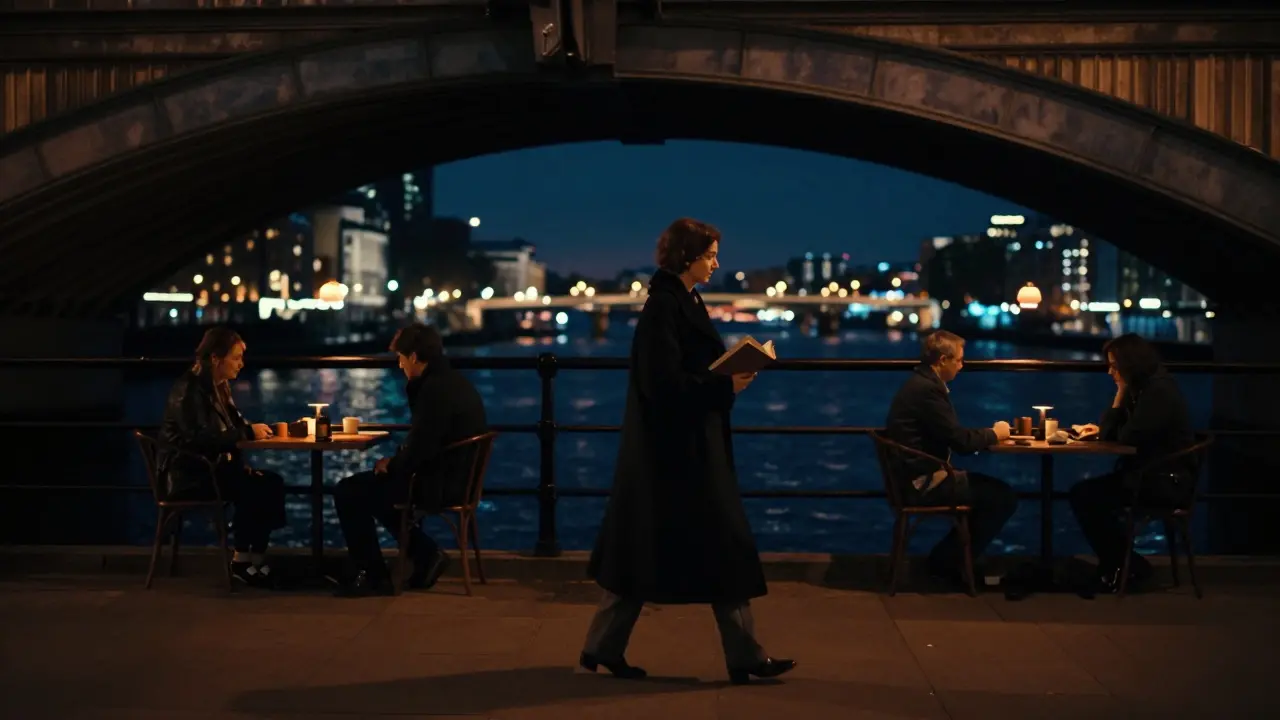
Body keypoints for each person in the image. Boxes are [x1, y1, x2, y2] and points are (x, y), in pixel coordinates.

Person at [583, 218, 795, 685]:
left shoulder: (677, 300)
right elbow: (664, 383)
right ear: (687, 256)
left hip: (676, 447)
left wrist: (725, 380)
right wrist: (725, 383)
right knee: (725, 546)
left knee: (644, 549)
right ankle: (745, 656)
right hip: (680, 451)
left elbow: (674, 377)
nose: (717, 263)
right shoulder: (666, 306)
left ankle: (603, 646)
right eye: (711, 255)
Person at [333, 323, 488, 597]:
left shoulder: (433, 391)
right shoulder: (455, 382)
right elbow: (426, 444)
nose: (400, 365)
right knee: (377, 491)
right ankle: (425, 554)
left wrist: (391, 464)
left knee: (349, 490)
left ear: (414, 357)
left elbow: (421, 448)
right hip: (462, 480)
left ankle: (374, 575)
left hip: (440, 484)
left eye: (401, 359)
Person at [882, 330, 1017, 589]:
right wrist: (996, 433)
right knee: (1003, 497)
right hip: (924, 482)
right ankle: (948, 563)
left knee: (990, 495)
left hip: (910, 477)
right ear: (943, 360)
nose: (962, 366)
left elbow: (954, 435)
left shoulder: (919, 383)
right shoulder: (928, 391)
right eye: (959, 360)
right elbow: (961, 442)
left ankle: (949, 561)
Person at [158, 327, 286, 588]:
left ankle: (255, 561)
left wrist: (248, 433)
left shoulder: (218, 388)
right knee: (257, 487)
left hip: (212, 469)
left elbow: (231, 429)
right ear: (216, 358)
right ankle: (242, 562)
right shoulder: (189, 390)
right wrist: (247, 432)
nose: (241, 364)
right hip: (190, 475)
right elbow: (197, 438)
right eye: (236, 357)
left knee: (271, 482)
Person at [1068, 333, 1196, 593]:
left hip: (1164, 481)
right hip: (1152, 475)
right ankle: (1120, 565)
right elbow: (1113, 433)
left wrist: (1120, 392)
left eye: (1114, 366)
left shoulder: (1157, 392)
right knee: (1087, 496)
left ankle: (1127, 565)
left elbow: (1126, 436)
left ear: (1130, 363)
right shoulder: (1147, 387)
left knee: (1085, 496)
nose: (1109, 372)